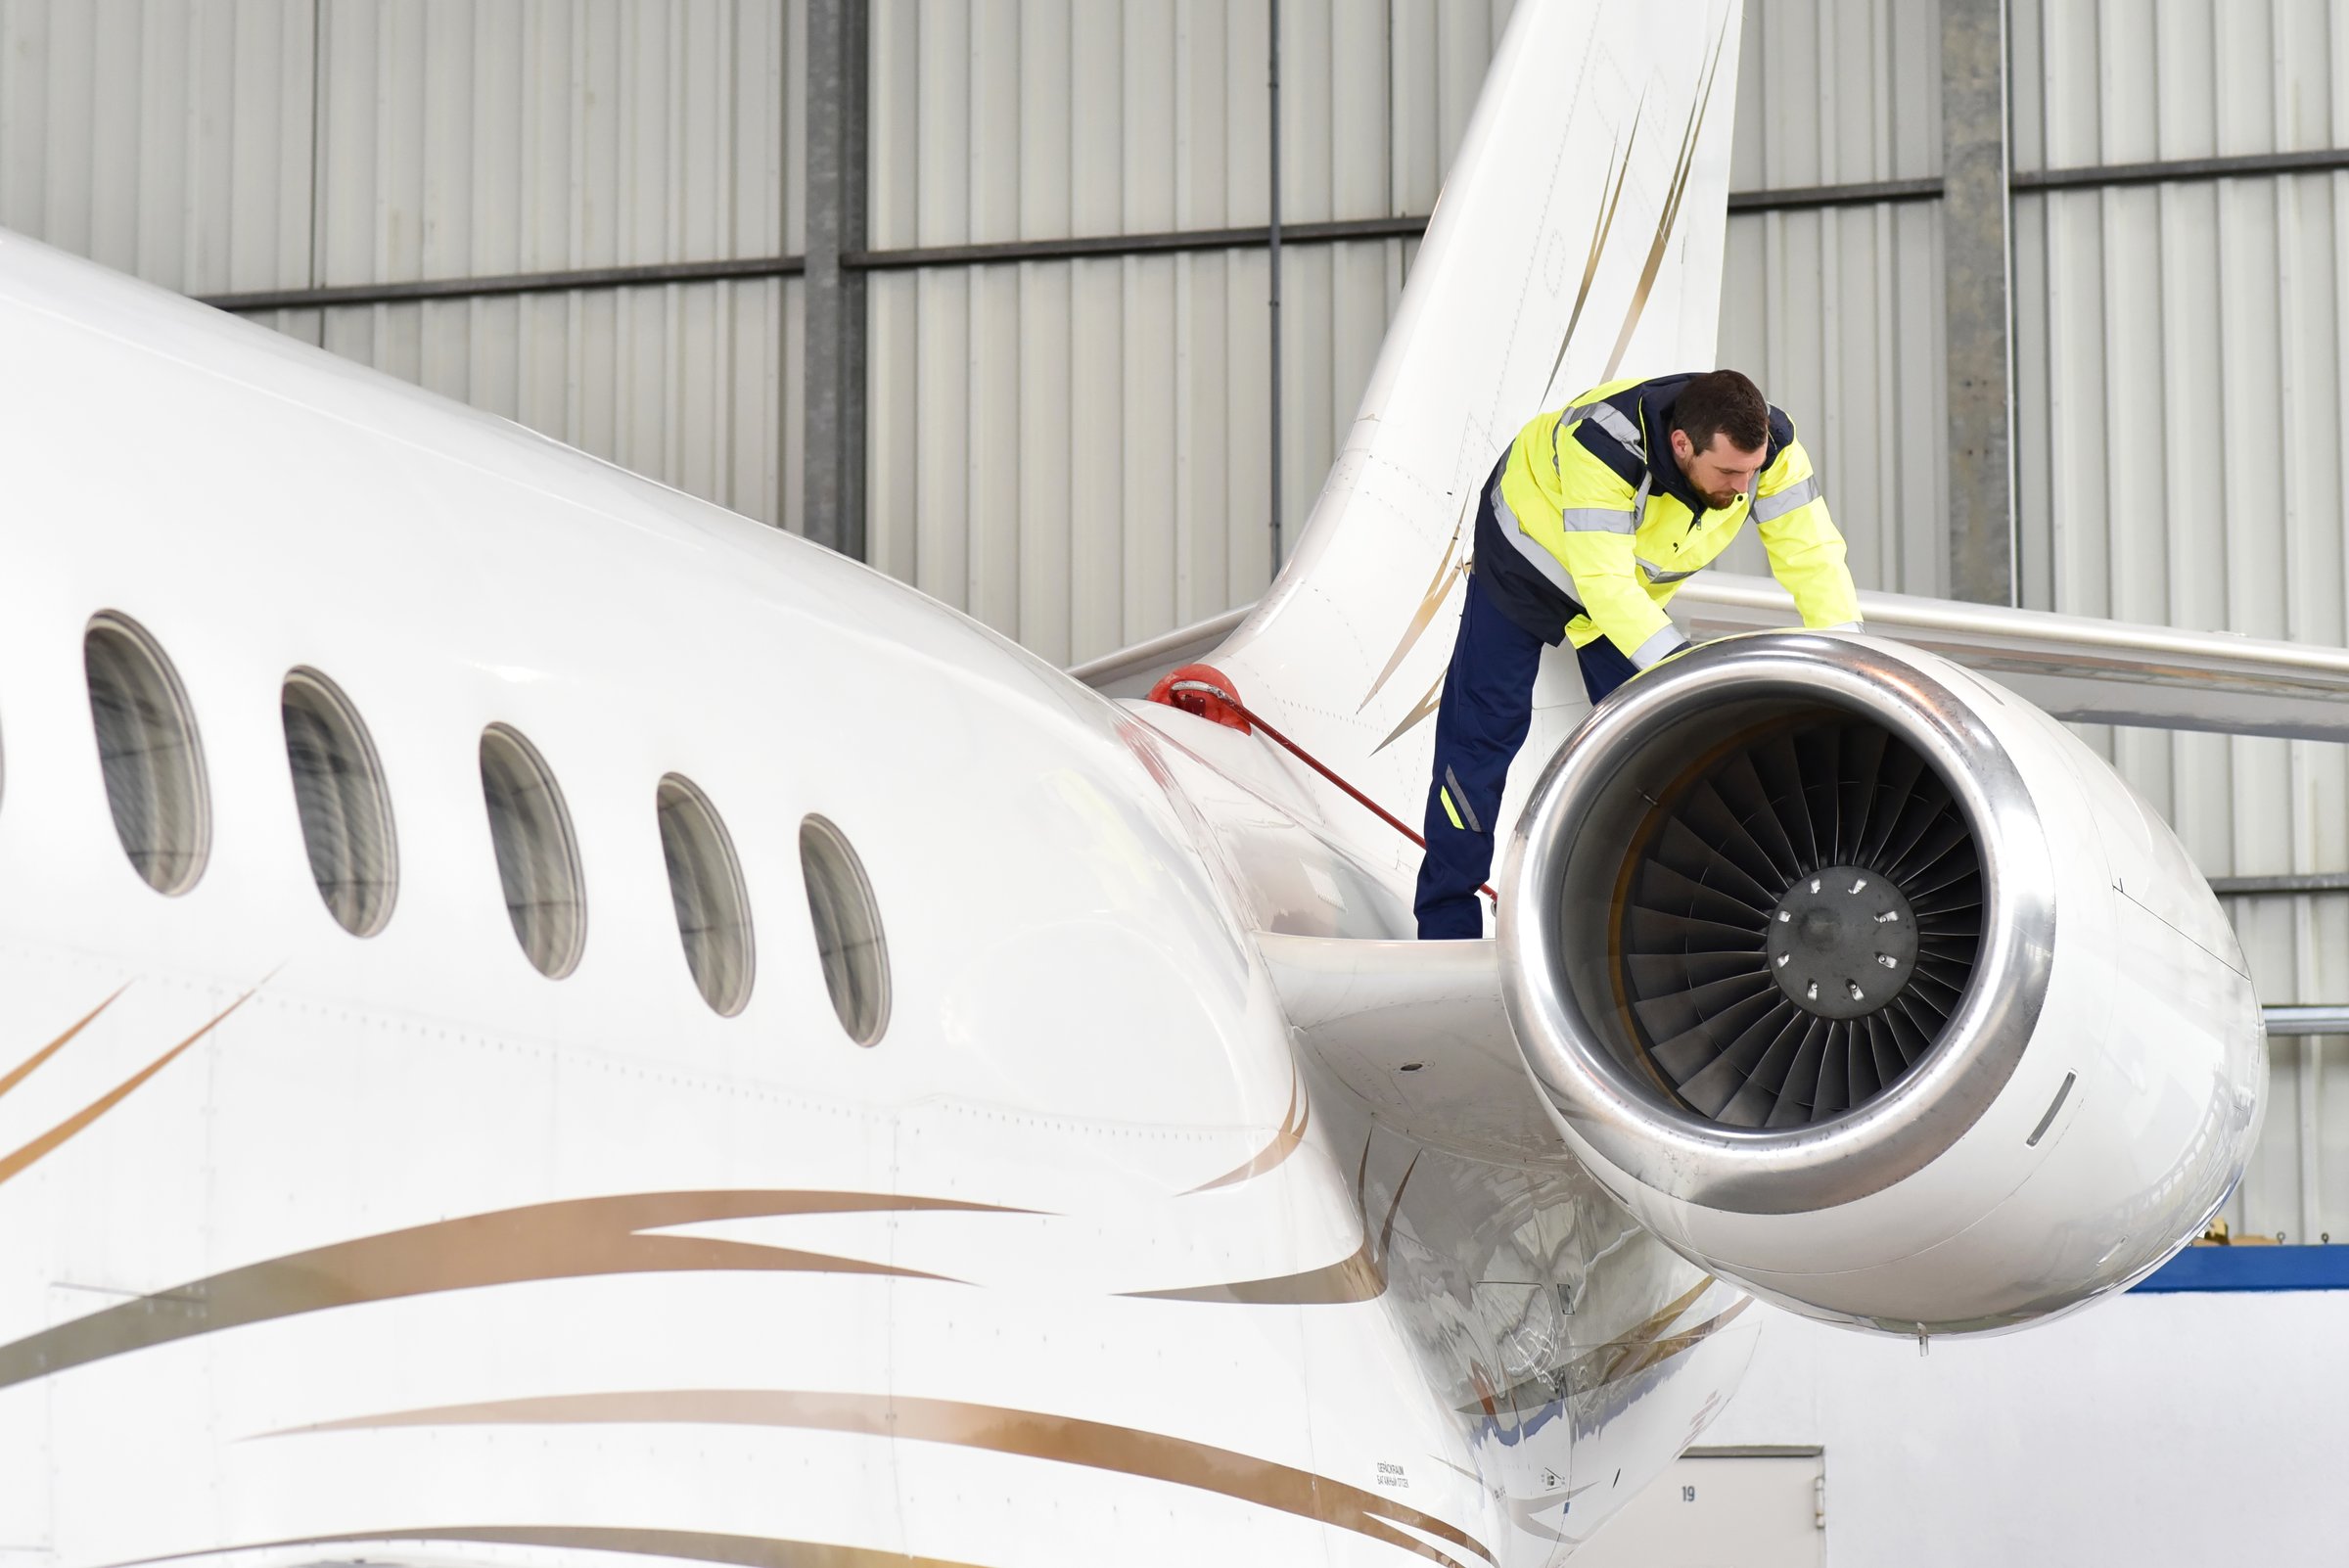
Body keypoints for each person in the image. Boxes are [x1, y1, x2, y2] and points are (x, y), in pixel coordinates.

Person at [1414, 368, 1862, 940]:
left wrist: (1848, 657)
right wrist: (1688, 677)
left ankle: (1645, 930)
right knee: (1481, 737)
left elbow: (1813, 557)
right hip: (1528, 559)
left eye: (1752, 473)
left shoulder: (1767, 452)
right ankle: (1444, 928)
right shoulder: (1602, 446)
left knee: (1672, 750)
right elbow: (1604, 586)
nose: (1744, 490)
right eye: (1728, 473)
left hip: (1625, 583)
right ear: (1681, 445)